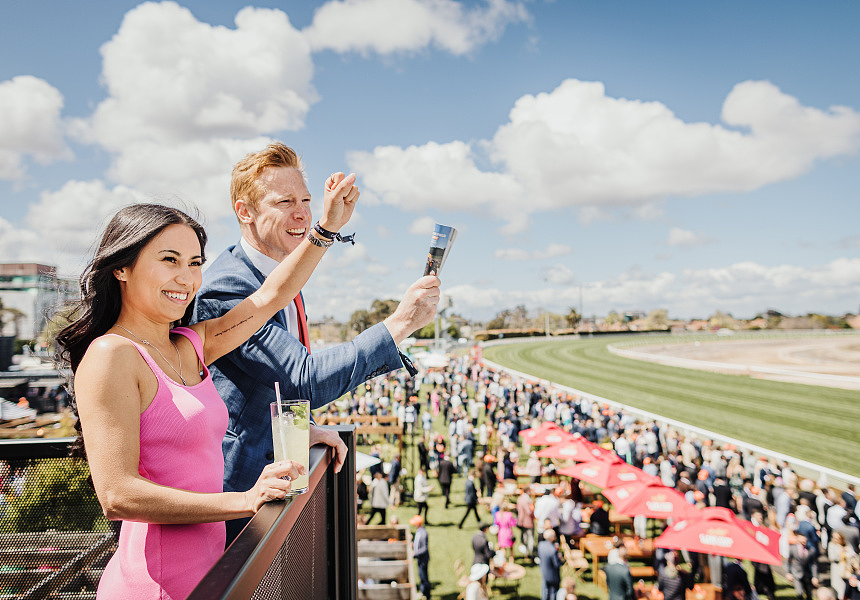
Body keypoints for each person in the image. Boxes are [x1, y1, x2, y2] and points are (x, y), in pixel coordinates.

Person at [55, 196, 356, 599]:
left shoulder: (189, 345)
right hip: (157, 585)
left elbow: (269, 298)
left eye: (195, 263)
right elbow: (118, 495)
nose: (187, 277)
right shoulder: (112, 356)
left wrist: (324, 231)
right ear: (122, 268)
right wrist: (245, 501)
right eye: (170, 260)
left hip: (210, 571)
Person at [192, 143, 440, 542]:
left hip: (275, 479)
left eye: (305, 199)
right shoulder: (227, 287)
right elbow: (301, 377)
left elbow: (266, 382)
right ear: (245, 212)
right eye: (285, 201)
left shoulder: (283, 274)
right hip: (236, 490)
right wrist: (399, 324)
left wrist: (302, 426)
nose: (302, 213)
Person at [537, 529, 563, 600]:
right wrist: (559, 557)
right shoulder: (553, 550)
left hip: (544, 572)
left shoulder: (540, 545)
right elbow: (557, 564)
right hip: (553, 576)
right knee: (553, 593)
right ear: (552, 538)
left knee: (545, 591)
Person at [411, 515, 431, 599]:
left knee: (424, 578)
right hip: (420, 558)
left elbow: (424, 548)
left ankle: (427, 595)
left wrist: (415, 554)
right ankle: (423, 593)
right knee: (421, 576)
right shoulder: (419, 531)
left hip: (423, 559)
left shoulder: (423, 533)